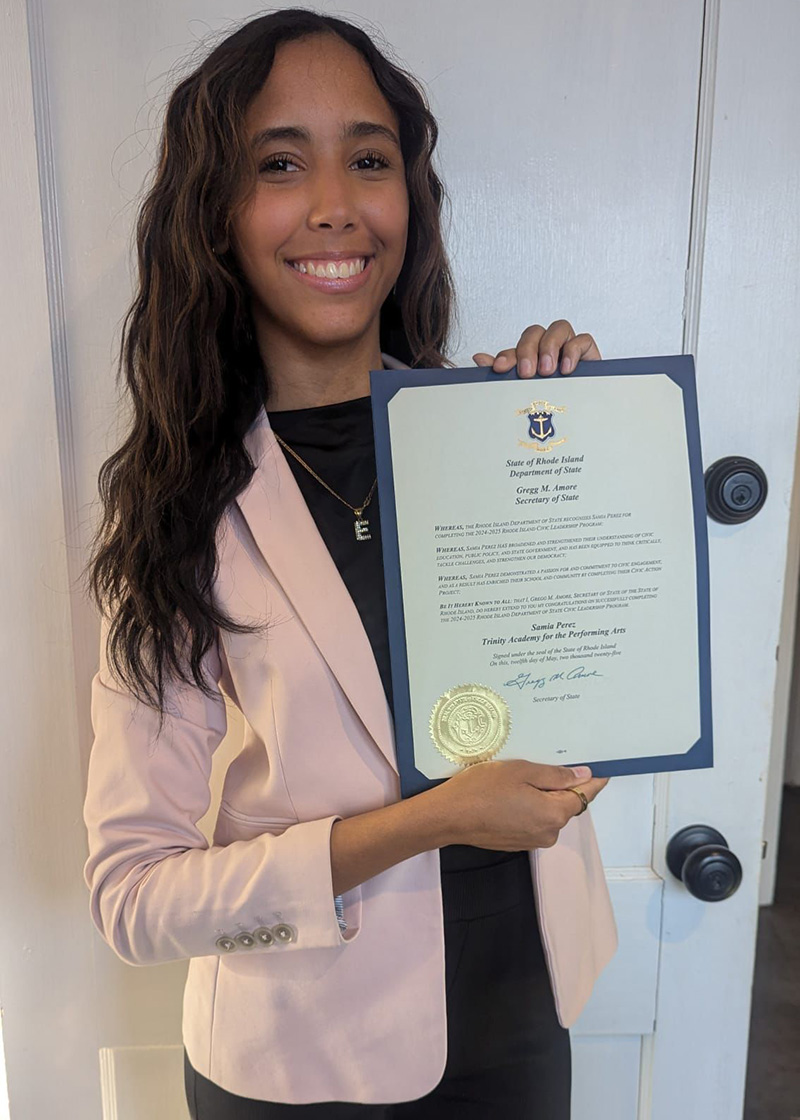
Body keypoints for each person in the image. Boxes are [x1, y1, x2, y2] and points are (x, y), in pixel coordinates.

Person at [81, 9, 618, 1118]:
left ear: (408, 202)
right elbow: (132, 896)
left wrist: (594, 455)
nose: (334, 202)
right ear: (215, 216)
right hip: (298, 1068)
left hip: (523, 1023)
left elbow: (595, 691)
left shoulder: (501, 441)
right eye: (280, 162)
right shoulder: (179, 514)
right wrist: (426, 819)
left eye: (367, 159)